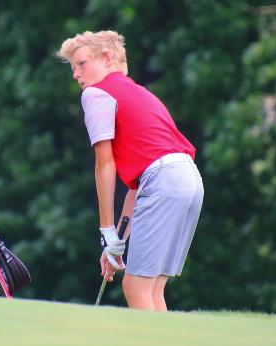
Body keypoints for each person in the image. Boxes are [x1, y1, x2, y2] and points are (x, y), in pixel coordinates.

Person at [56, 30, 204, 311]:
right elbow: (137, 189)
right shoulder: (139, 93)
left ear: (107, 57)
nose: (76, 74)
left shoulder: (96, 94)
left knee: (135, 286)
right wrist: (116, 244)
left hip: (164, 180)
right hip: (188, 179)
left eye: (82, 63)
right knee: (153, 288)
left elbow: (105, 164)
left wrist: (106, 230)